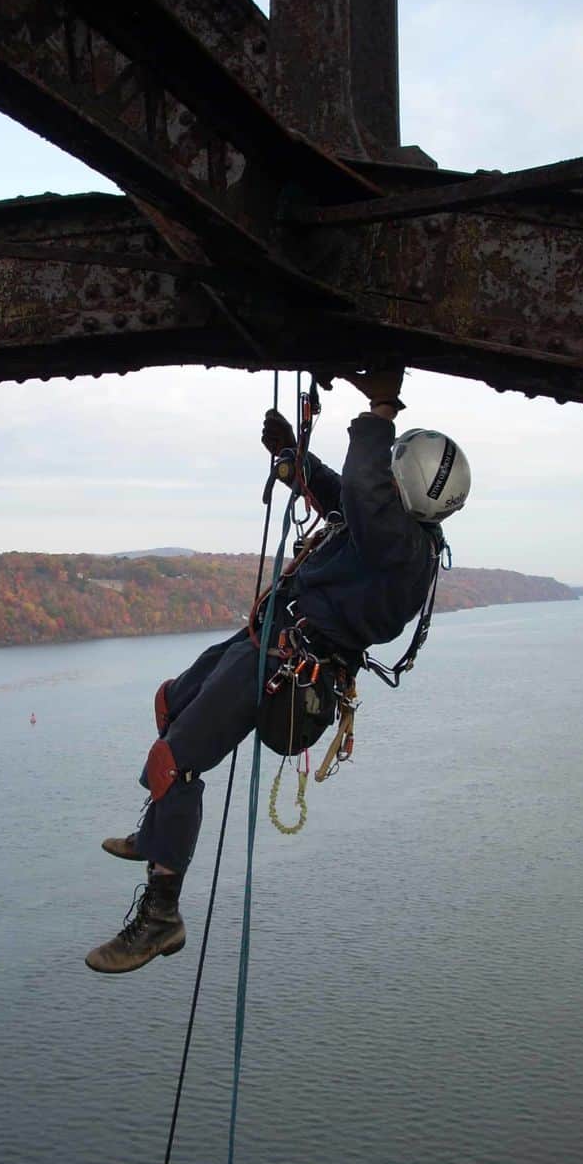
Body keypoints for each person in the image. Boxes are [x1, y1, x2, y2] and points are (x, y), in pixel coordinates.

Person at [85, 367, 470, 974]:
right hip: (269, 642)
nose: (386, 474)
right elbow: (349, 495)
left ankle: (160, 916)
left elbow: (364, 492)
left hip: (288, 662)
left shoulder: (398, 545)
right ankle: (157, 832)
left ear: (406, 483)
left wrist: (380, 409)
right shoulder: (395, 534)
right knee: (171, 703)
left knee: (175, 763)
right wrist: (295, 457)